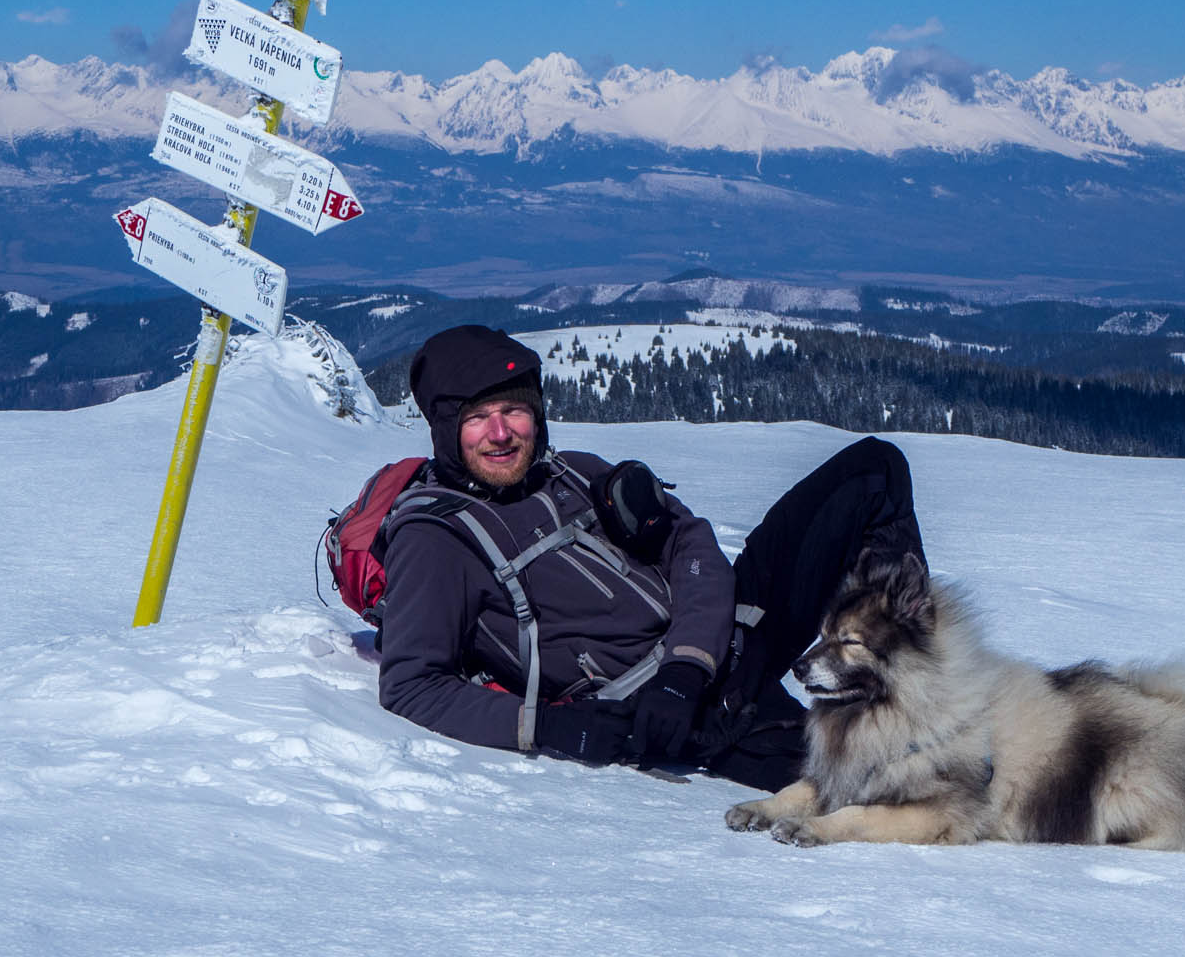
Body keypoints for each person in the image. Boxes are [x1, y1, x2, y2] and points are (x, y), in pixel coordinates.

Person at [377, 324, 926, 791]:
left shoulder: (572, 471)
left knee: (874, 470)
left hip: (714, 643)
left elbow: (688, 541)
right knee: (895, 778)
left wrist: (686, 663)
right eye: (478, 418)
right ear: (447, 430)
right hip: (677, 713)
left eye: (514, 411)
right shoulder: (435, 538)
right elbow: (412, 684)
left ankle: (913, 674)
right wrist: (547, 727)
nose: (501, 434)